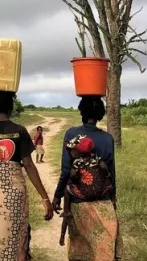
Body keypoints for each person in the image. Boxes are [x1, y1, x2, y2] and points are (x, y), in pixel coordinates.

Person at [0, 90, 54, 261]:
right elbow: (28, 164)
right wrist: (45, 198)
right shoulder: (20, 131)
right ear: (11, 108)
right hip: (16, 195)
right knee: (15, 238)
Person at [53, 96, 122, 260]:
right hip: (102, 199)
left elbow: (66, 170)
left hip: (78, 202)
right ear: (101, 114)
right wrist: (113, 197)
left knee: (81, 250)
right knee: (103, 248)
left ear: (81, 112)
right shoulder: (107, 138)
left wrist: (57, 196)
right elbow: (110, 171)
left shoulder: (72, 134)